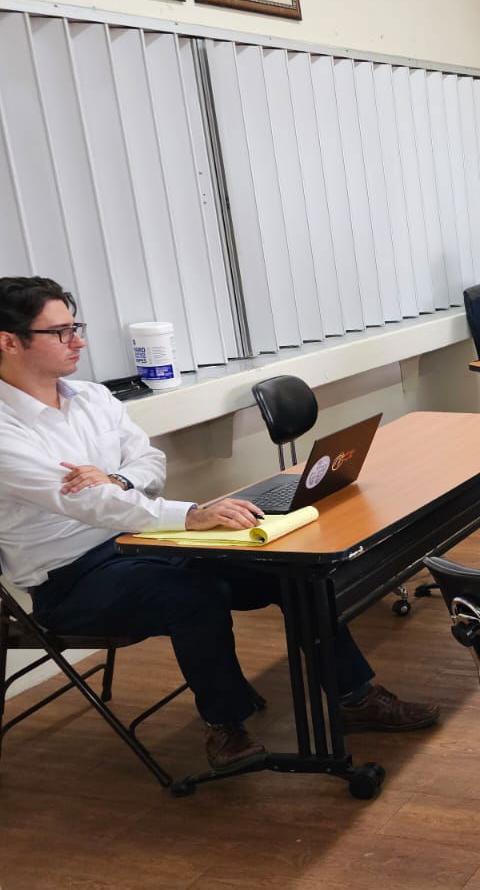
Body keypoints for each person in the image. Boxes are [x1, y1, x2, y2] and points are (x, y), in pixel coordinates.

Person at [0, 278, 438, 772]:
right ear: (9, 340)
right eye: (61, 332)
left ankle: (355, 697)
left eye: (74, 328)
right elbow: (87, 506)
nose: (77, 341)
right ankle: (225, 727)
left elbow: (149, 462)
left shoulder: (90, 397)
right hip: (70, 578)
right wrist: (187, 514)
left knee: (288, 567)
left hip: (141, 539)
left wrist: (119, 478)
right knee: (188, 593)